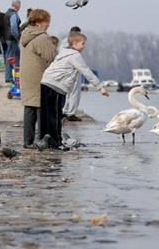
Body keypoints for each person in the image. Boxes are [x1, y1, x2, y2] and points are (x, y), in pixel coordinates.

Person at [40, 31, 108, 149]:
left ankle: (45, 139)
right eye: (83, 43)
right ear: (75, 43)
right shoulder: (75, 55)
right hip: (56, 85)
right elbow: (86, 71)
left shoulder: (62, 52)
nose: (84, 46)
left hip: (46, 82)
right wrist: (100, 87)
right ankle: (55, 142)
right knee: (56, 114)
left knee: (46, 114)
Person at [19, 9, 56, 148]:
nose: (48, 25)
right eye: (47, 22)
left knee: (29, 108)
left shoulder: (26, 35)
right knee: (42, 109)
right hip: (39, 76)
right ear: (40, 23)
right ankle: (43, 140)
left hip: (27, 76)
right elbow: (52, 57)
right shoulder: (42, 38)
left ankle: (27, 141)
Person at [61, 26, 83, 121]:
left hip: (64, 69)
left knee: (66, 91)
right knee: (74, 92)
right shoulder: (75, 43)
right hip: (73, 69)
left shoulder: (63, 42)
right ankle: (71, 113)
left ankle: (64, 111)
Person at [2, 0, 21, 84]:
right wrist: (18, 37)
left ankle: (14, 75)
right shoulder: (14, 15)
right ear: (17, 6)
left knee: (13, 56)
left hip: (7, 38)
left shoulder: (7, 13)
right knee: (11, 58)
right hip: (12, 39)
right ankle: (9, 77)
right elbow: (13, 28)